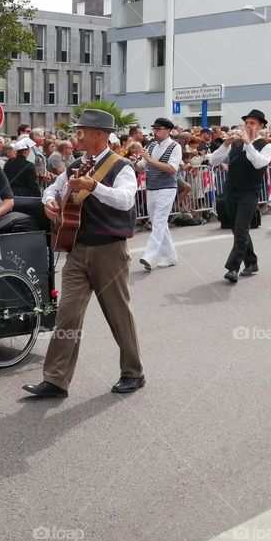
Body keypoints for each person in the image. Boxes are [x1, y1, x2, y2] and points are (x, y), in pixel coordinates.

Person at [23, 109, 144, 398]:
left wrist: (95, 187)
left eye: (82, 131)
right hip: (77, 249)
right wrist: (49, 202)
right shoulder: (77, 163)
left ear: (99, 135)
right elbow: (52, 189)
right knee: (67, 315)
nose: (77, 135)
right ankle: (55, 380)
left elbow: (127, 200)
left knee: (118, 314)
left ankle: (133, 372)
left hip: (109, 249)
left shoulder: (121, 166)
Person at [209, 109, 271, 282]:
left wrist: (248, 144)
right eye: (246, 123)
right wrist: (226, 143)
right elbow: (214, 161)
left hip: (249, 192)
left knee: (241, 229)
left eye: (252, 123)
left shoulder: (266, 145)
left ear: (261, 126)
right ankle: (251, 262)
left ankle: (233, 268)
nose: (248, 126)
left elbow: (259, 163)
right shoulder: (235, 143)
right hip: (231, 189)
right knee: (237, 229)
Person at [136, 117, 182, 270]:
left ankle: (149, 256)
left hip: (167, 188)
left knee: (159, 222)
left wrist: (150, 160)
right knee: (158, 222)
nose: (155, 132)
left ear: (168, 131)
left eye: (158, 129)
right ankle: (170, 256)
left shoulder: (175, 147)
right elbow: (142, 166)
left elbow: (172, 169)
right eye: (154, 129)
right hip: (152, 188)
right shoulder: (151, 146)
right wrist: (135, 162)